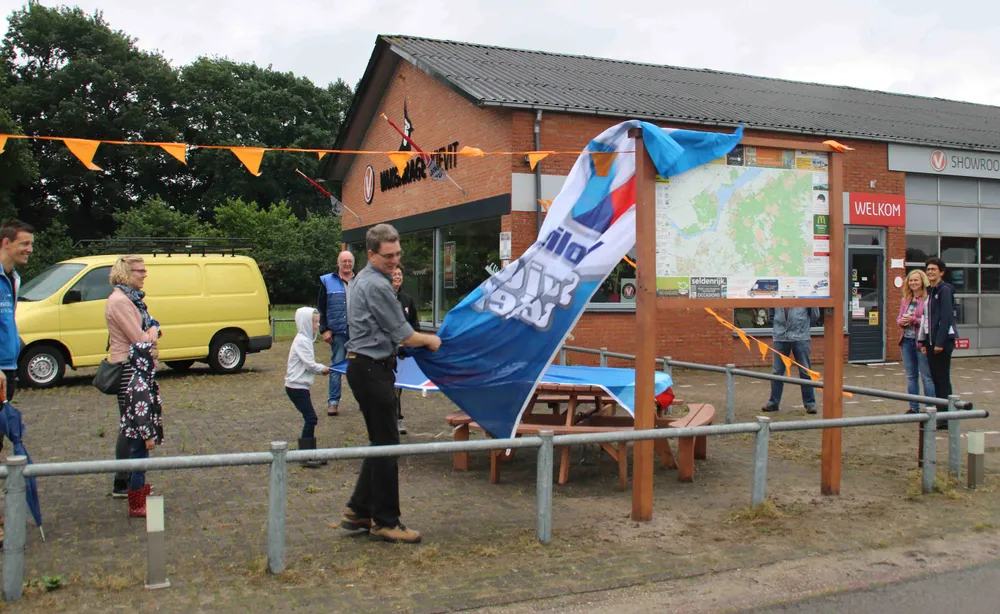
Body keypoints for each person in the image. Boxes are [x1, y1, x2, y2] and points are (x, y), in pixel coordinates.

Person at [340, 223, 441, 544]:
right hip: (371, 370)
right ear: (371, 254)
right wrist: (431, 340)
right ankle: (386, 521)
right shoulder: (377, 285)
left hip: (367, 368)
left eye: (398, 254)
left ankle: (358, 510)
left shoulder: (365, 279)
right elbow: (404, 334)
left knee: (381, 442)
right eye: (388, 256)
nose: (395, 261)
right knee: (387, 446)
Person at [105, 256, 160, 499]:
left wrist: (152, 331)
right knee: (131, 426)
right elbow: (140, 338)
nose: (144, 274)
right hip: (128, 366)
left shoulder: (132, 299)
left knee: (130, 425)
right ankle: (123, 481)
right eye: (140, 270)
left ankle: (128, 480)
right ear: (126, 273)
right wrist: (154, 330)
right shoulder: (120, 301)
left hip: (137, 364)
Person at [120, 341, 163, 518]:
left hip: (137, 432)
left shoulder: (142, 380)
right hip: (138, 434)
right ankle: (136, 504)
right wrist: (148, 436)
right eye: (154, 359)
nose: (157, 363)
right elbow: (142, 415)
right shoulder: (140, 386)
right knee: (139, 465)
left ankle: (140, 495)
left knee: (141, 464)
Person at [285, 307, 331, 468]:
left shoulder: (305, 340)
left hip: (300, 386)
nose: (317, 325)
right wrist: (324, 369)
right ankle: (305, 456)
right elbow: (310, 365)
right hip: (296, 387)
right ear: (305, 322)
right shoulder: (302, 341)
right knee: (311, 418)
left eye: (318, 322)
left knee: (310, 418)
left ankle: (309, 454)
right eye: (314, 322)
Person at [762, 307, 820, 414]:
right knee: (776, 372)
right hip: (780, 336)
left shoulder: (804, 296)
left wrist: (802, 325)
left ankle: (810, 403)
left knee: (805, 371)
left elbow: (815, 315)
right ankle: (773, 402)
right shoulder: (778, 297)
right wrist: (778, 324)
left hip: (801, 337)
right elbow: (771, 314)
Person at [0, 219, 34, 403]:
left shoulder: (13, 278)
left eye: (31, 244)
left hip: (8, 366)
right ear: (6, 243)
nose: (30, 249)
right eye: (24, 243)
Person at [922, 257, 958, 429]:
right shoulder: (929, 291)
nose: (930, 272)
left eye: (933, 269)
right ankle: (941, 414)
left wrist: (940, 342)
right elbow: (927, 319)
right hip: (930, 341)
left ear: (941, 272)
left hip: (941, 342)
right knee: (935, 379)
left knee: (942, 380)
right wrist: (924, 342)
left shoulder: (945, 290)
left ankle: (946, 417)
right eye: (928, 269)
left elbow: (946, 318)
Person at [318, 250, 354, 416]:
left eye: (349, 261)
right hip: (338, 333)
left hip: (357, 334)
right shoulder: (327, 281)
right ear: (338, 263)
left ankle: (363, 400)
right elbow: (321, 307)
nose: (347, 264)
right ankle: (333, 402)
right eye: (344, 261)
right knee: (337, 367)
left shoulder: (360, 281)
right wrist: (324, 329)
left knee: (360, 368)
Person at [897, 269, 935, 413]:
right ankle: (913, 408)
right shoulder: (905, 300)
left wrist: (913, 320)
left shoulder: (927, 299)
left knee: (926, 377)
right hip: (907, 341)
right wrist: (902, 322)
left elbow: (929, 320)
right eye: (911, 280)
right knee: (911, 376)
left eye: (916, 280)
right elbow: (899, 318)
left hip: (921, 342)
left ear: (922, 282)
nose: (913, 283)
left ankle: (930, 408)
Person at [392, 264, 419, 435]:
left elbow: (414, 324)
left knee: (397, 388)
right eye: (394, 274)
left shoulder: (407, 300)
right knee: (386, 387)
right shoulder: (382, 299)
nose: (397, 277)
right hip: (384, 351)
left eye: (399, 274)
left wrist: (411, 344)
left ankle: (397, 418)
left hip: (402, 352)